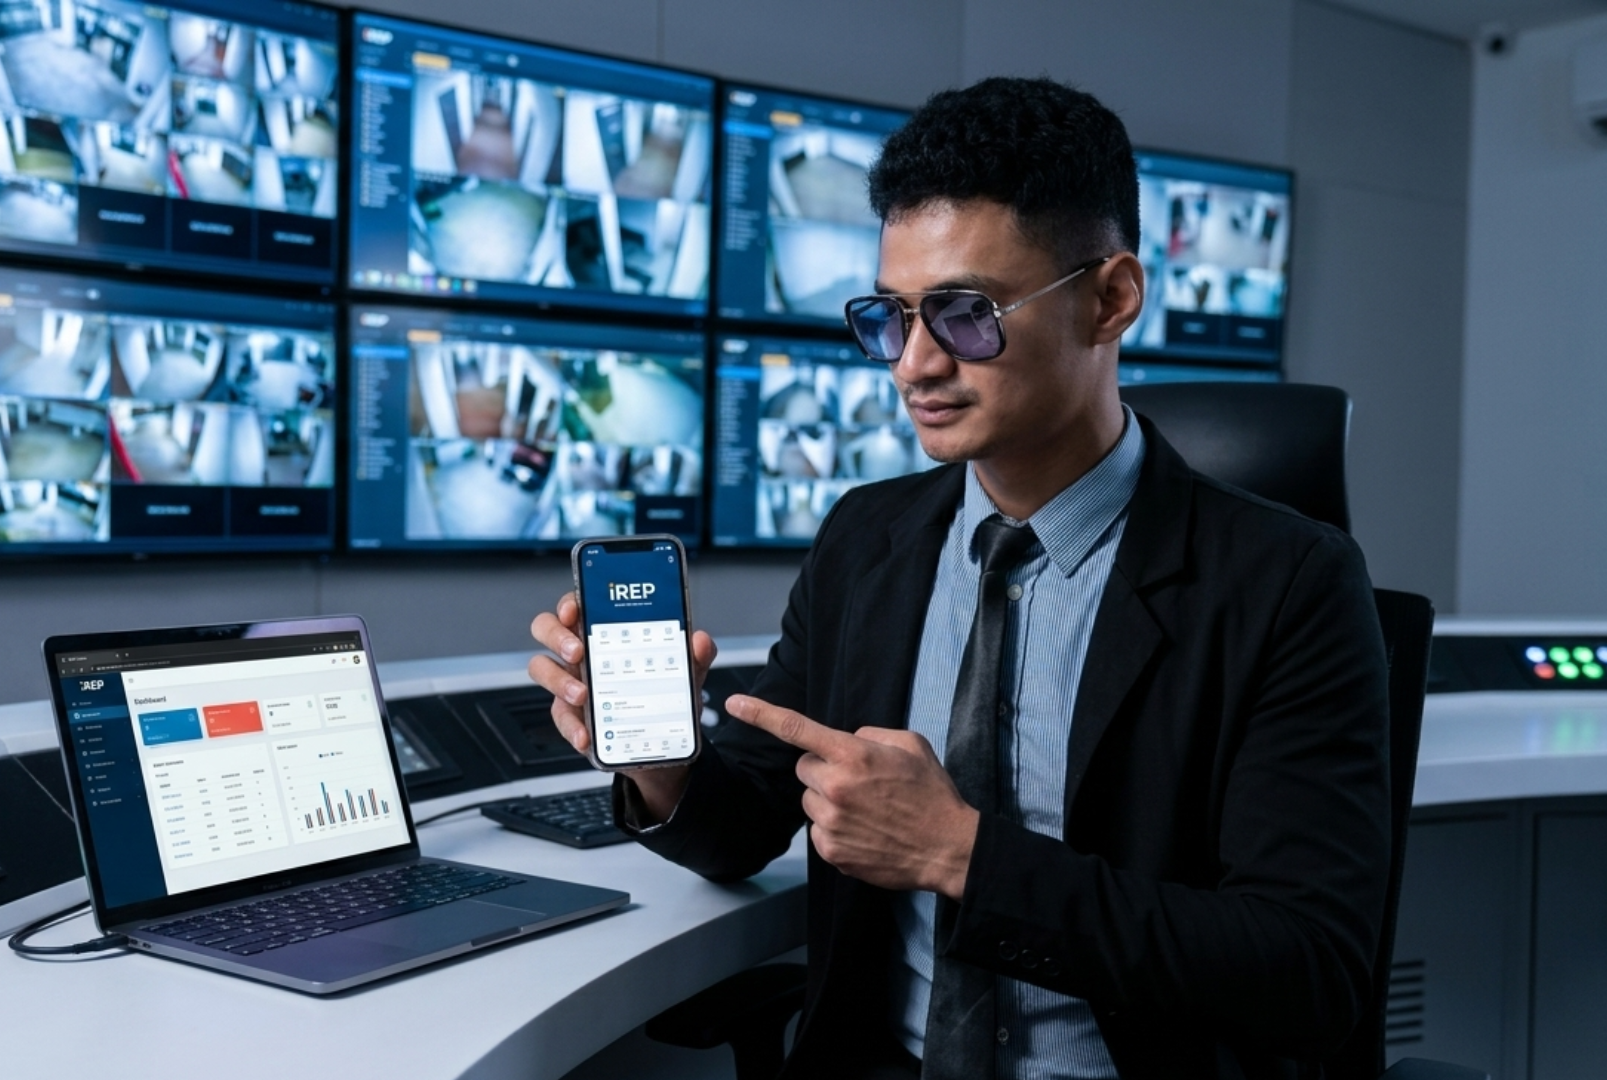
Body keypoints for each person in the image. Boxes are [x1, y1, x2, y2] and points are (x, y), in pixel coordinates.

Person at [528, 77, 1390, 1080]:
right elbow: (751, 822)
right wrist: (660, 760)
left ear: (1111, 298)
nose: (913, 366)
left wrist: (962, 858)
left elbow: (1309, 973)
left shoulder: (1289, 584)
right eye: (892, 316)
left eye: (967, 314)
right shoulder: (867, 539)